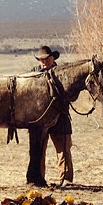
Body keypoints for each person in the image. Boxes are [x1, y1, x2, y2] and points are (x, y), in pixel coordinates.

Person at [28, 45, 74, 187]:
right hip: (39, 119)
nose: (44, 62)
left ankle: (66, 179)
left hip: (60, 118)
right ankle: (38, 178)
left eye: (47, 59)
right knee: (39, 150)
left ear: (53, 58)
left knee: (63, 150)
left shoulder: (62, 74)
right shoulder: (33, 74)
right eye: (41, 60)